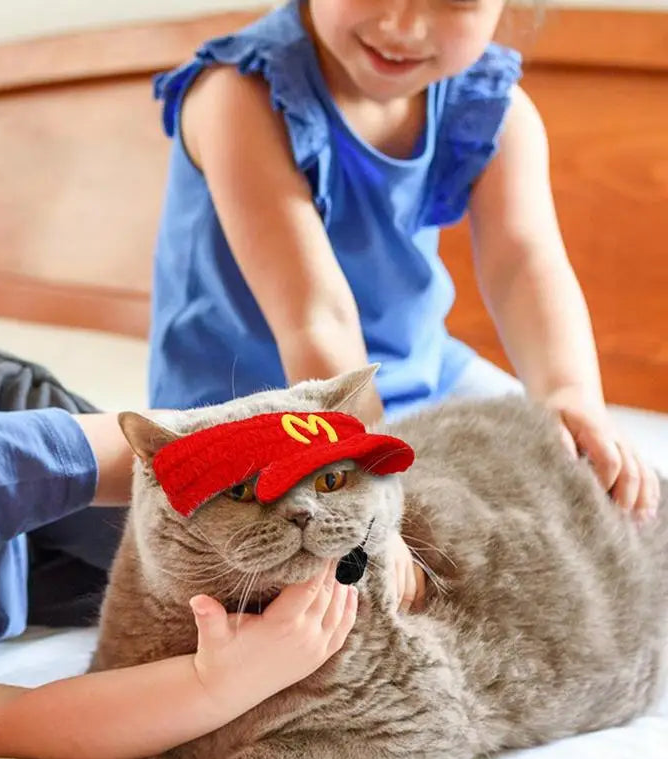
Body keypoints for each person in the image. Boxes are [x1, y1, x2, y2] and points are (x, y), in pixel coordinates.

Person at [148, 0, 660, 519]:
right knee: (361, 560)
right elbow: (315, 318)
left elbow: (524, 264)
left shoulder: (494, 108)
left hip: (423, 370)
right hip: (264, 400)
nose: (402, 27)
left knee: (605, 483)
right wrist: (373, 485)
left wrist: (568, 393)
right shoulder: (239, 95)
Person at [0, 335, 422, 759]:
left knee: (197, 521)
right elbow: (20, 723)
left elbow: (177, 451)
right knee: (182, 606)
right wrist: (221, 680)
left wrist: (361, 513)